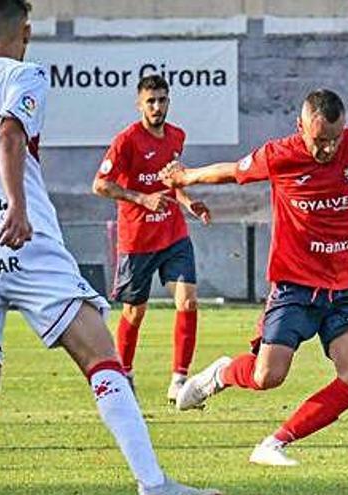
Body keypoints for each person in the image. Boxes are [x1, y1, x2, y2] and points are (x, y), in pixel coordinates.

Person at [0, 1, 219, 494]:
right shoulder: (24, 75)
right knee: (100, 354)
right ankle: (153, 484)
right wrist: (15, 207)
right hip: (22, 242)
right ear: (27, 33)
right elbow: (10, 134)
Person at [160, 89, 348, 467]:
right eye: (319, 141)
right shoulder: (280, 155)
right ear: (300, 127)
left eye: (334, 139)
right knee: (267, 377)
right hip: (293, 287)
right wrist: (185, 176)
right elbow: (232, 171)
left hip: (343, 289)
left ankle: (274, 443)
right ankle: (219, 375)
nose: (327, 149)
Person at [93, 75, 210, 402]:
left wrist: (188, 203)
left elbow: (172, 182)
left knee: (188, 302)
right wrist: (142, 199)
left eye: (162, 100)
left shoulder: (176, 137)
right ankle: (123, 375)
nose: (157, 107)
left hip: (173, 235)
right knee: (134, 313)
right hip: (138, 241)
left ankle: (179, 381)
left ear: (169, 101)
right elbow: (100, 185)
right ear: (139, 104)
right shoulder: (127, 140)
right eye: (151, 101)